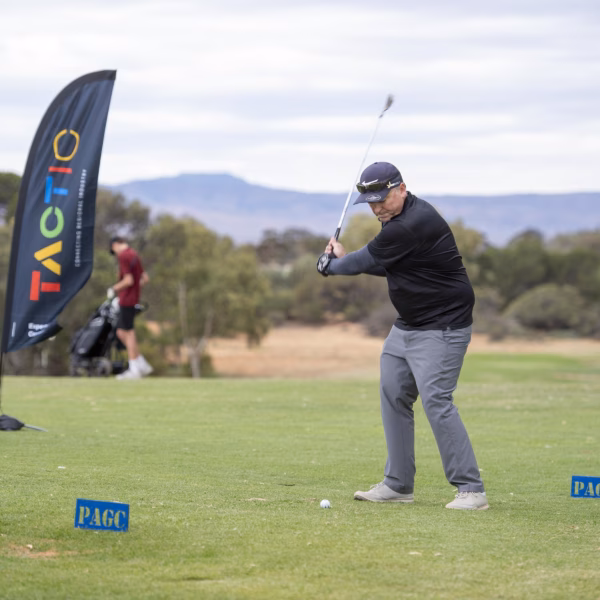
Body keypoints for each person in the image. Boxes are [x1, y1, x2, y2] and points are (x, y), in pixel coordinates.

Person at [317, 162, 488, 510]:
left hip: (444, 325)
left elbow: (364, 261)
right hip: (408, 324)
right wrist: (343, 261)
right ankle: (398, 485)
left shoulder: (413, 222)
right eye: (371, 203)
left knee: (437, 401)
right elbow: (388, 264)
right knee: (393, 394)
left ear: (402, 189)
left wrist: (330, 265)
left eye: (382, 199)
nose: (377, 208)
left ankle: (472, 490)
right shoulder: (397, 222)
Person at [108, 236, 153, 380]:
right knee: (122, 332)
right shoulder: (134, 254)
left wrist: (114, 289)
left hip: (127, 300)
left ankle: (135, 368)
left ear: (115, 245)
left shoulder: (123, 256)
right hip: (132, 298)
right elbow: (145, 279)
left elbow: (128, 280)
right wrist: (135, 291)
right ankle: (141, 364)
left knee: (128, 333)